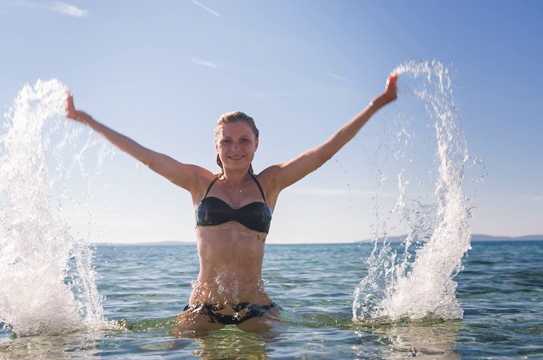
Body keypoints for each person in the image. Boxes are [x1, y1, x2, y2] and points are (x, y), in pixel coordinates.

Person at [65, 74, 398, 336]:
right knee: (171, 350)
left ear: (256, 144)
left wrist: (376, 104)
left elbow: (323, 153)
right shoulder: (199, 182)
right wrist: (88, 120)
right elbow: (148, 157)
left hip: (257, 307)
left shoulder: (270, 182)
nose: (235, 148)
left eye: (243, 140)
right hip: (204, 307)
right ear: (217, 144)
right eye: (227, 140)